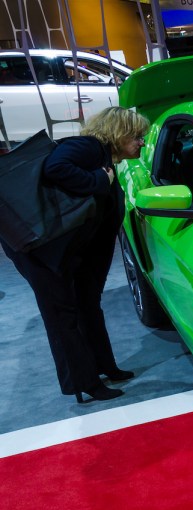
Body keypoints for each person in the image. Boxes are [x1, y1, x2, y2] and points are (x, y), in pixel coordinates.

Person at [0, 106, 149, 403]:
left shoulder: (103, 157)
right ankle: (85, 383)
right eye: (137, 136)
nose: (142, 143)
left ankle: (106, 367)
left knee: (87, 306)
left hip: (67, 250)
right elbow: (55, 168)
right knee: (62, 316)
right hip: (42, 250)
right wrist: (99, 181)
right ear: (119, 133)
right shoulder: (88, 147)